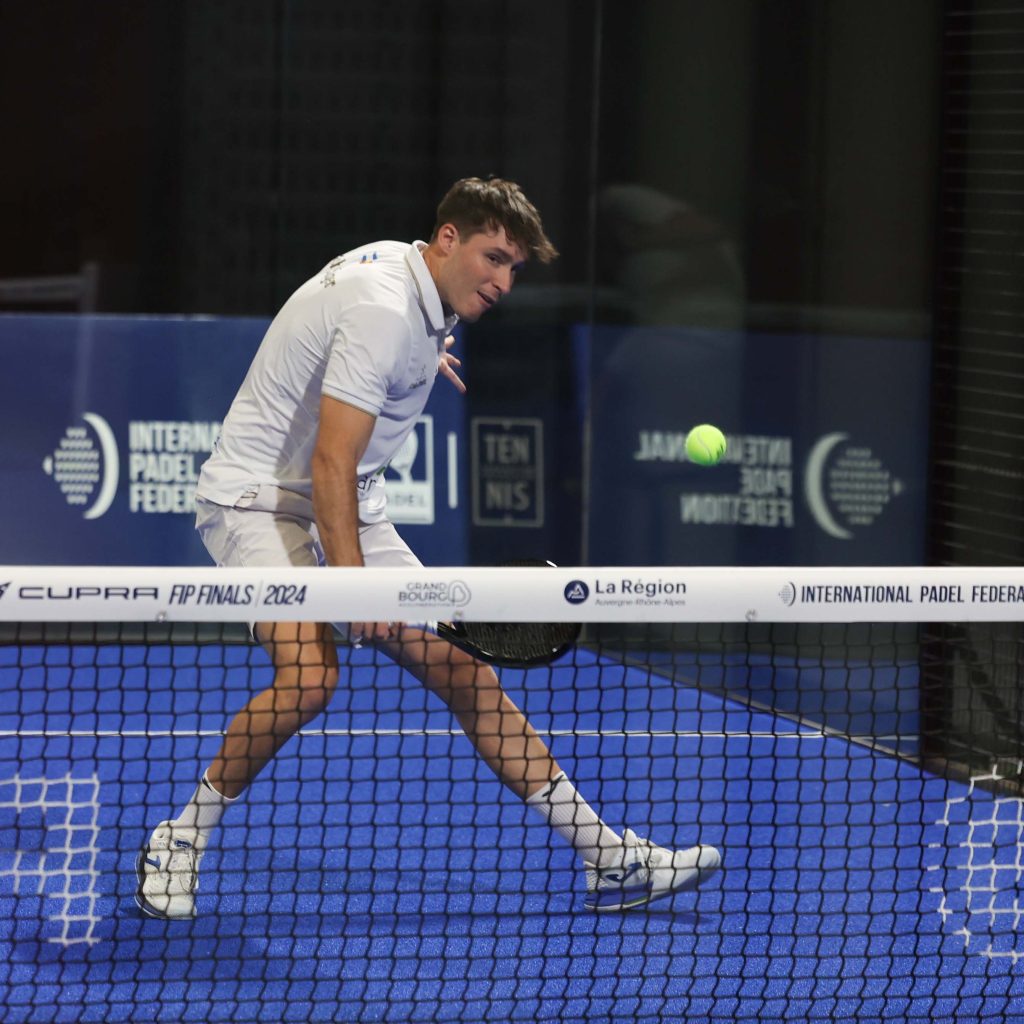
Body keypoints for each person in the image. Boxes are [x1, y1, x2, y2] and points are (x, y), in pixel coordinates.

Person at [134, 177, 721, 919]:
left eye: (514, 268)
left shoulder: (413, 286)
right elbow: (330, 462)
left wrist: (414, 357)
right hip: (259, 501)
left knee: (464, 670)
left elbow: (348, 363)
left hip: (347, 501)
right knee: (310, 677)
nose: (503, 282)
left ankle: (608, 860)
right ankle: (178, 839)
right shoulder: (385, 311)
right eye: (493, 259)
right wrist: (357, 592)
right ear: (448, 239)